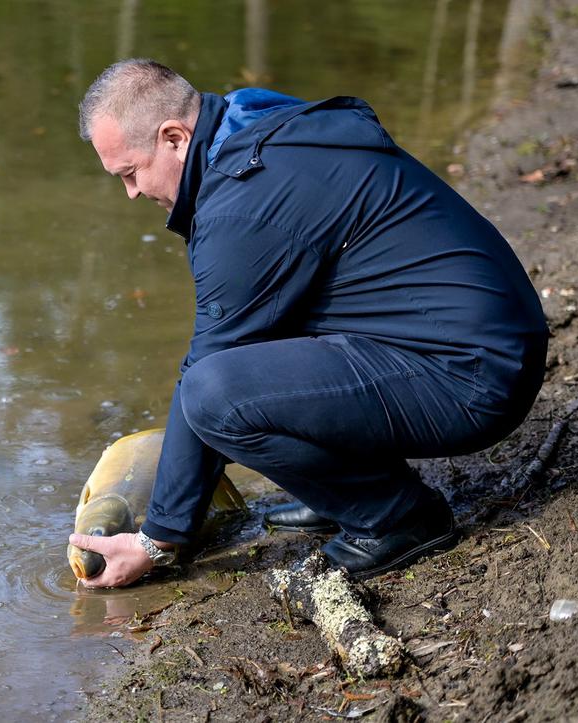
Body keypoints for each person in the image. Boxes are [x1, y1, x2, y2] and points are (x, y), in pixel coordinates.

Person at [67, 59, 548, 588]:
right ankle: (343, 492)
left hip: (471, 376)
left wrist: (157, 539)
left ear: (175, 137)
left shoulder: (243, 204)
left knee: (212, 393)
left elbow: (206, 374)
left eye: (130, 173)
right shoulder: (255, 116)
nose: (131, 193)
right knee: (266, 322)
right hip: (486, 338)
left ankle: (395, 517)